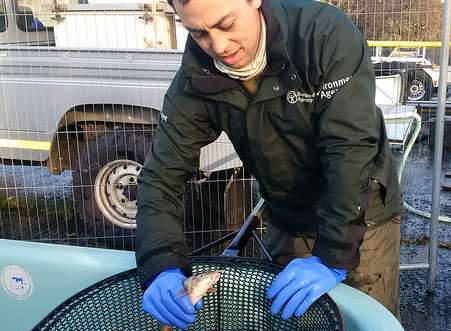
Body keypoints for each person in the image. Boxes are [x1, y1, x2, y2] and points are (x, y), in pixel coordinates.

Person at [135, 0, 403, 329]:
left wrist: (333, 254)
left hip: (361, 216)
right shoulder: (197, 76)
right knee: (292, 319)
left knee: (366, 318)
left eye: (226, 24)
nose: (218, 46)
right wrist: (160, 262)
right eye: (199, 33)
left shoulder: (322, 35)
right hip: (286, 216)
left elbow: (349, 149)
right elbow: (161, 175)